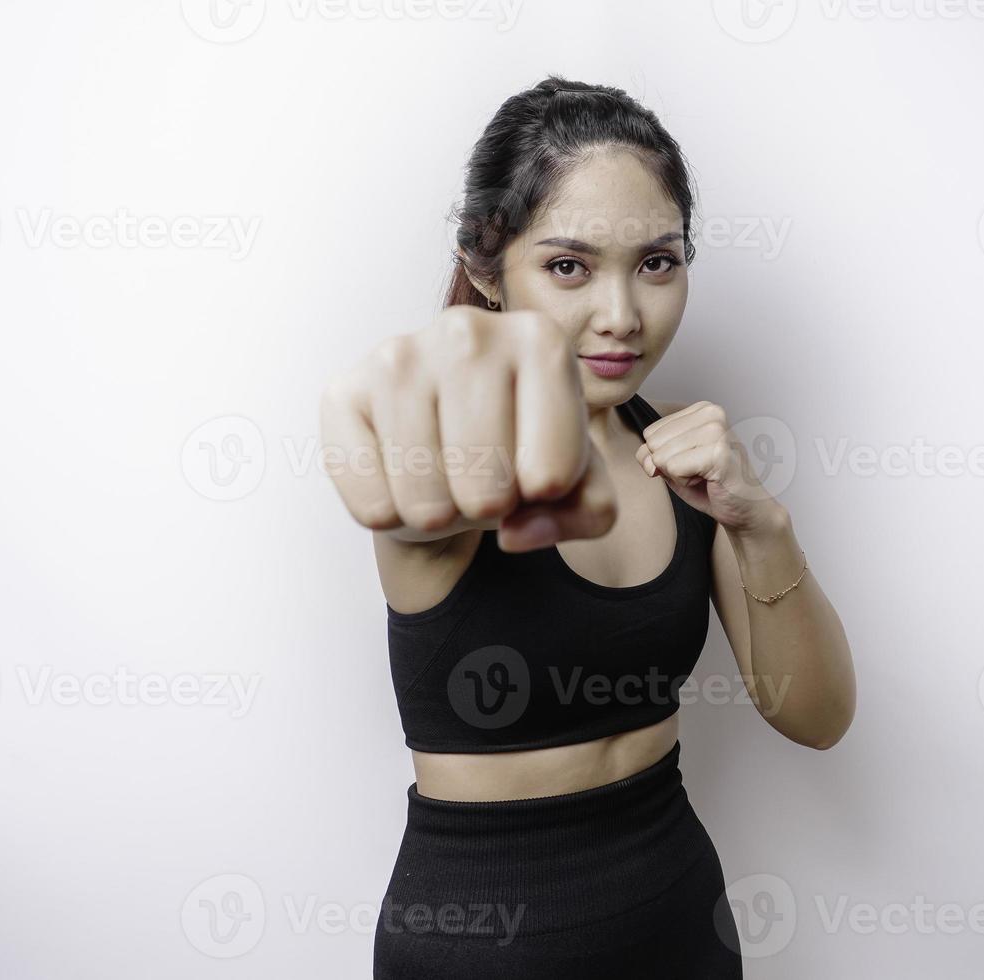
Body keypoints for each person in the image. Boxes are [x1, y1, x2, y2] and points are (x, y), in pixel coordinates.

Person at [319, 75, 857, 979]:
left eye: (657, 262)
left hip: (682, 917)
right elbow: (398, 441)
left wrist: (761, 523)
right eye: (568, 266)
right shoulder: (461, 454)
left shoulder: (683, 450)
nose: (622, 316)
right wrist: (384, 410)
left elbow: (817, 718)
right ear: (488, 268)